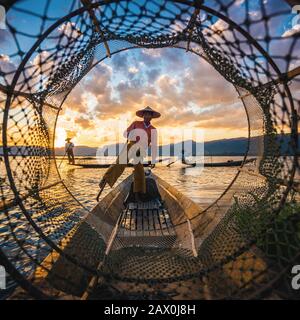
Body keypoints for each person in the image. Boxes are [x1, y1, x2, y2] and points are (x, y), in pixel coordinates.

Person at [99, 106, 160, 200]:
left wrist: (153, 159)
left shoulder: (153, 129)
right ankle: (106, 178)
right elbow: (125, 133)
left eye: (149, 114)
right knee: (121, 161)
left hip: (141, 150)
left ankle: (139, 192)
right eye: (145, 114)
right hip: (132, 145)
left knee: (139, 170)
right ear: (143, 116)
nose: (147, 116)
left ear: (151, 117)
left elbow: (154, 145)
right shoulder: (136, 123)